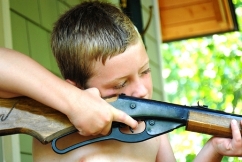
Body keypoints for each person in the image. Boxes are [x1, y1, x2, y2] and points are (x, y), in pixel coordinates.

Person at [0, 1, 241, 161]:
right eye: (120, 84)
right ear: (77, 88)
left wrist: (215, 149)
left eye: (145, 71)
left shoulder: (151, 127)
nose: (141, 90)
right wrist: (73, 102)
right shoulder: (54, 126)